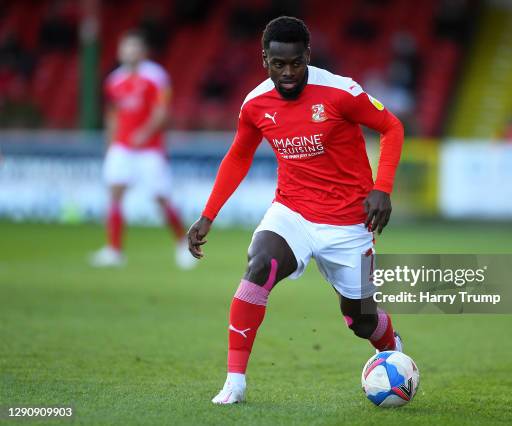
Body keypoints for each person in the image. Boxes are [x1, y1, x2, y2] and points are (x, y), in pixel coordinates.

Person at [187, 16, 404, 404]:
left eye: (295, 64)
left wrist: (381, 188)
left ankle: (391, 348)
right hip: (292, 213)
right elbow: (238, 156)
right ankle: (235, 381)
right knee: (260, 265)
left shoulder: (340, 92)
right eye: (277, 64)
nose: (287, 73)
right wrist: (208, 215)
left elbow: (392, 127)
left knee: (360, 320)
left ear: (308, 55)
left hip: (349, 223)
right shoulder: (255, 104)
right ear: (264, 60)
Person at [90, 30, 195, 269]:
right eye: (126, 48)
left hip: (149, 149)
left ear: (143, 51)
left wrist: (145, 133)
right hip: (122, 147)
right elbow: (112, 115)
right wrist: (111, 144)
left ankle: (183, 244)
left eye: (134, 47)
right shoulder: (113, 81)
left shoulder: (156, 77)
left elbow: (162, 112)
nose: (130, 52)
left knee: (160, 197)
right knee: (115, 193)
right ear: (119, 52)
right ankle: (114, 250)